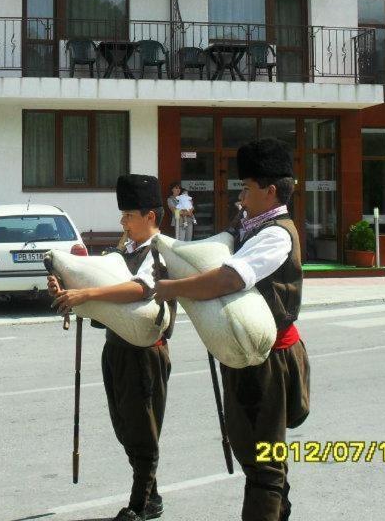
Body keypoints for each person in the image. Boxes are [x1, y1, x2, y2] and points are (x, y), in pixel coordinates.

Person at [154, 139, 310, 521]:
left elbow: (228, 279)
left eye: (246, 188)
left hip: (269, 359)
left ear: (270, 190)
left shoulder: (276, 234)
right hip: (247, 352)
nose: (240, 196)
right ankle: (279, 505)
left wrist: (172, 288)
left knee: (262, 459)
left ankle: (271, 507)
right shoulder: (246, 224)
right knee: (252, 447)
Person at [49, 174, 175, 521]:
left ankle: (138, 504)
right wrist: (66, 286)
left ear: (150, 216)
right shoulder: (123, 252)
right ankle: (152, 494)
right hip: (116, 347)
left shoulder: (161, 251)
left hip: (146, 352)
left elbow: (142, 289)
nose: (123, 222)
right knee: (125, 425)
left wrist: (87, 294)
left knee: (142, 427)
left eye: (129, 216)